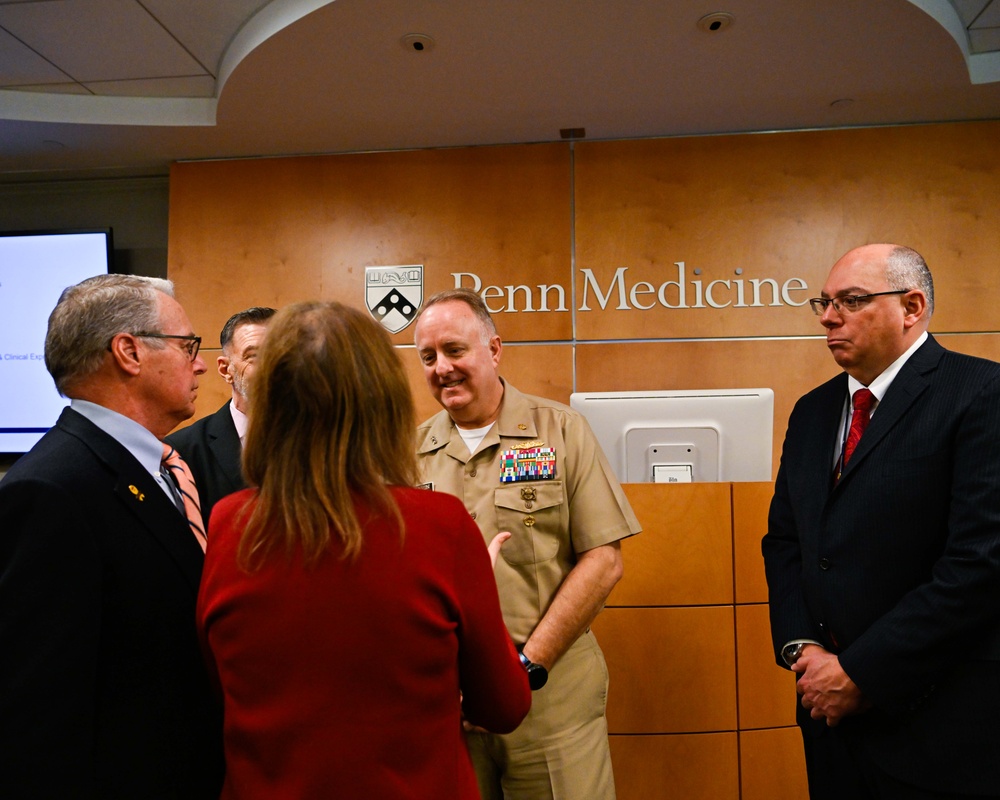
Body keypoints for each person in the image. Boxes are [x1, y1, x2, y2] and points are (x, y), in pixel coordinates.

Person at [196, 300, 530, 799]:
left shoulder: (230, 523)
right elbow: (503, 706)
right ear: (384, 402)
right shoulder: (439, 528)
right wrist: (477, 593)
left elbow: (220, 678)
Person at [762, 244, 1000, 799]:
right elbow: (786, 542)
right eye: (824, 302)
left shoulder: (982, 393)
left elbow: (980, 561)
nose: (827, 315)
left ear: (911, 307)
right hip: (830, 719)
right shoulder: (812, 410)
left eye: (852, 300)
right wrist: (804, 651)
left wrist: (862, 673)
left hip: (941, 717)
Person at [0, 274, 224, 799]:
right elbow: (36, 711)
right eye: (187, 345)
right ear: (128, 351)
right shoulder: (50, 490)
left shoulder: (163, 468)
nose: (198, 362)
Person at [413, 288, 641, 800]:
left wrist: (523, 668)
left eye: (454, 350)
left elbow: (603, 560)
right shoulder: (408, 454)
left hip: (550, 698)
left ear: (494, 350)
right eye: (428, 357)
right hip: (454, 709)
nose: (441, 368)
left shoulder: (561, 431)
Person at [166, 306, 275, 526]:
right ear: (226, 370)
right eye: (255, 356)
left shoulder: (324, 444)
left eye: (283, 353)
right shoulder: (182, 453)